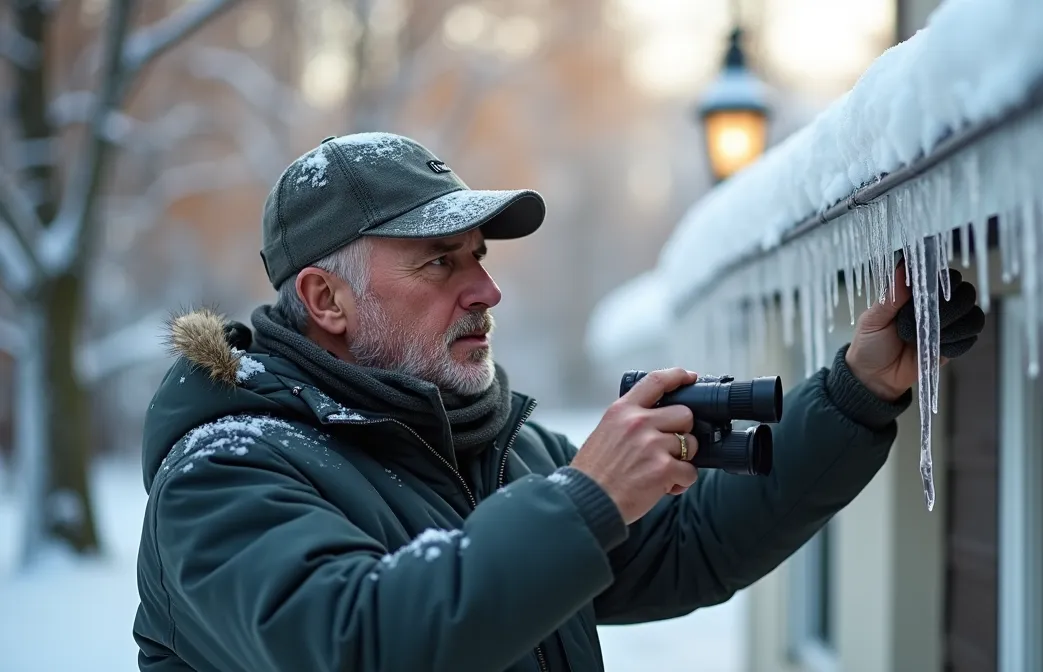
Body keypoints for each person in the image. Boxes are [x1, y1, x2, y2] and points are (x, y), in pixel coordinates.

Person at [132, 132, 985, 672]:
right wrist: (585, 498)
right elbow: (357, 644)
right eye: (441, 262)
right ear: (326, 300)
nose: (487, 291)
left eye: (479, 256)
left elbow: (688, 544)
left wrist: (858, 389)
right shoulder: (224, 471)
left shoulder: (496, 449)